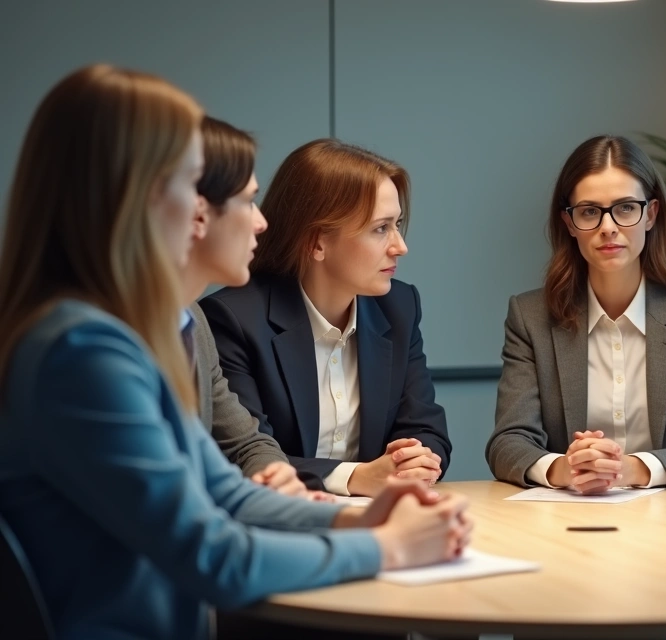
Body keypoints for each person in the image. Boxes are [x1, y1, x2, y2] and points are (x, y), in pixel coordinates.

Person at [0, 64, 472, 640]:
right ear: (143, 196)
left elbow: (225, 492)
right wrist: (383, 547)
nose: (256, 218)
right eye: (196, 182)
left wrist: (359, 517)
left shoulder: (128, 333)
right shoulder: (84, 351)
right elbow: (215, 556)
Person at [486, 135, 666, 492]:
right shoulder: (530, 317)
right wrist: (566, 468)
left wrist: (631, 470)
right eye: (590, 211)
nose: (608, 227)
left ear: (651, 214)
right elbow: (508, 442)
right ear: (570, 224)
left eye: (625, 208)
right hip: (568, 519)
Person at [200, 139, 451, 497]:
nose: (400, 246)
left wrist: (417, 460)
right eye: (380, 228)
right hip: (278, 520)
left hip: (378, 515)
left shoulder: (399, 305)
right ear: (317, 242)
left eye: (397, 224)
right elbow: (246, 455)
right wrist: (354, 477)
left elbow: (427, 428)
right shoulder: (234, 319)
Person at [181, 115, 307, 496]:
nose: (262, 222)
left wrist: (281, 484)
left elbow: (246, 443)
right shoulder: (95, 342)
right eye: (249, 201)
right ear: (198, 213)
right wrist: (378, 540)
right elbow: (180, 518)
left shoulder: (191, 319)